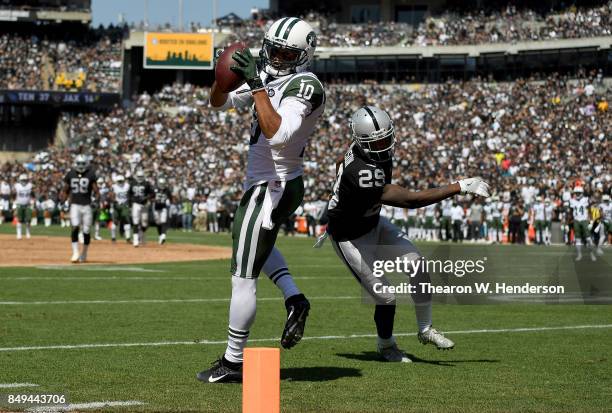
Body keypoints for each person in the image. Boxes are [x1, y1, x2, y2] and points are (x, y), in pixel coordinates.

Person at [198, 17, 325, 383]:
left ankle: (233, 362)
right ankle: (294, 298)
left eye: (288, 53)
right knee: (254, 246)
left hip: (274, 185)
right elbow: (218, 103)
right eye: (275, 49)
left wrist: (256, 84)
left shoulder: (306, 84)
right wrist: (223, 78)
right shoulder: (267, 71)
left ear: (303, 56)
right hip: (270, 184)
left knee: (242, 275)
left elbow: (280, 135)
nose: (278, 57)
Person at [324, 107, 490, 362]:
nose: (382, 145)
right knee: (386, 297)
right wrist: (460, 186)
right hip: (350, 237)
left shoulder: (360, 150)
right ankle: (386, 345)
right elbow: (411, 200)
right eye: (375, 141)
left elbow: (339, 161)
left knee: (418, 264)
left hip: (372, 222)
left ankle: (425, 328)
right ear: (361, 141)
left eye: (384, 138)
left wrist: (338, 185)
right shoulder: (362, 171)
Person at [61, 154, 98, 263]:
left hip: (87, 205)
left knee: (86, 231)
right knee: (75, 227)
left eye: (82, 163)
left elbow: (96, 190)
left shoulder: (90, 174)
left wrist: (96, 199)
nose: (80, 166)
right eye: (79, 163)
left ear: (86, 164)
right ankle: (75, 252)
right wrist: (63, 202)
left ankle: (84, 253)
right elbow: (66, 190)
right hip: (75, 205)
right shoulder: (71, 174)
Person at [130, 169, 153, 247]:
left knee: (144, 223)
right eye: (139, 176)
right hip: (135, 204)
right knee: (135, 222)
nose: (140, 178)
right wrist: (130, 202)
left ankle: (142, 236)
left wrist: (146, 197)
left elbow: (152, 193)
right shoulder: (132, 183)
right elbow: (129, 194)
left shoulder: (147, 184)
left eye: (141, 176)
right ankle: (136, 240)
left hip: (144, 205)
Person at [570, 186, 593, 261]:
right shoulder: (572, 201)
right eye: (576, 193)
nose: (577, 194)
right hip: (576, 220)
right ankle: (579, 254)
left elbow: (589, 209)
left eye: (579, 193)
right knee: (578, 239)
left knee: (588, 238)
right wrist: (570, 220)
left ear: (582, 193)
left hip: (584, 220)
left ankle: (591, 254)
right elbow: (571, 211)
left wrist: (591, 219)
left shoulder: (585, 199)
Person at [110, 174, 131, 243]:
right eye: (119, 181)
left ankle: (128, 238)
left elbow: (129, 194)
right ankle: (113, 238)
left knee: (126, 220)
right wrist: (114, 201)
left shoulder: (127, 186)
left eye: (121, 181)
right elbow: (111, 195)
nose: (120, 182)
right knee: (115, 222)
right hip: (116, 204)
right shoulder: (114, 186)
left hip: (125, 205)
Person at [13, 174, 34, 240]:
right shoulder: (17, 186)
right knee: (19, 220)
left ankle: (28, 233)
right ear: (20, 180)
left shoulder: (30, 186)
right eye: (23, 180)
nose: (24, 181)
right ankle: (19, 234)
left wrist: (33, 201)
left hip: (28, 204)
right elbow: (13, 194)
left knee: (28, 220)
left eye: (25, 180)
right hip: (19, 204)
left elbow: (33, 194)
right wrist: (14, 203)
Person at [152, 177, 172, 244]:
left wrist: (169, 201)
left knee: (163, 221)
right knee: (158, 223)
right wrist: (154, 200)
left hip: (164, 207)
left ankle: (163, 235)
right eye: (161, 184)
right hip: (156, 207)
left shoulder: (167, 190)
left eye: (163, 184)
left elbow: (170, 198)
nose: (162, 185)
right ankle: (160, 235)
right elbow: (151, 197)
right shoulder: (155, 190)